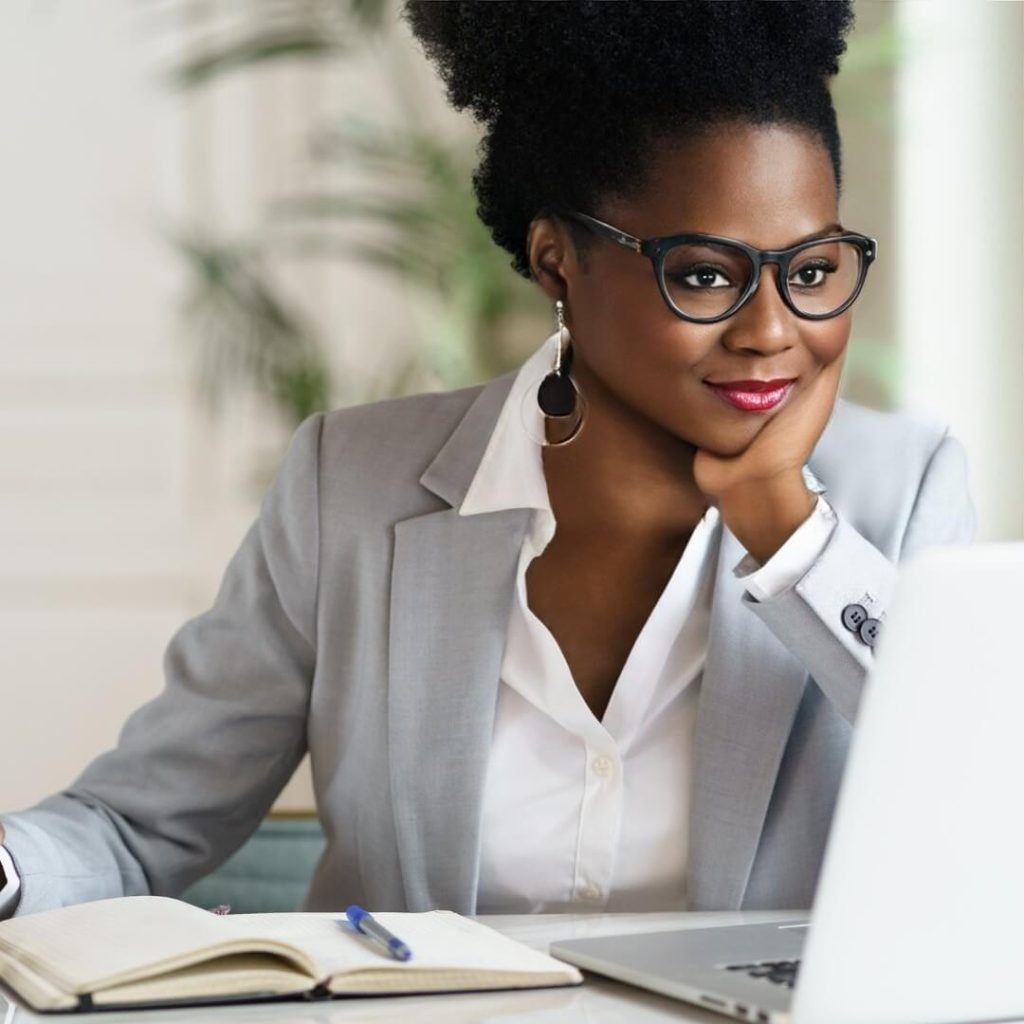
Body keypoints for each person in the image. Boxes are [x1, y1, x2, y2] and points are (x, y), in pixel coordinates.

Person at [0, 1, 974, 919]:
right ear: (557, 260)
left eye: (811, 272)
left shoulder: (901, 490)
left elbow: (982, 796)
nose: (772, 329)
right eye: (705, 275)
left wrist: (786, 530)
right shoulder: (351, 487)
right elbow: (136, 825)